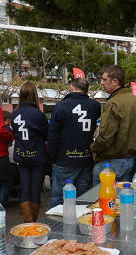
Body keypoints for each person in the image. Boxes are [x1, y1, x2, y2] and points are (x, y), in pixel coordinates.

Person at [48, 78, 100, 208]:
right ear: (87, 90)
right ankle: (81, 226)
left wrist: (52, 158)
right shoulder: (94, 105)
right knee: (84, 201)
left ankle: (59, 227)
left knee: (59, 201)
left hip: (64, 160)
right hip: (85, 159)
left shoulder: (61, 106)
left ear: (71, 87)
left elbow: (53, 135)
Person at [90, 65, 136, 185]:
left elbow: (105, 136)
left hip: (111, 161)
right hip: (131, 159)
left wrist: (94, 149)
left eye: (105, 80)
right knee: (121, 200)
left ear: (115, 81)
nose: (102, 83)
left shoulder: (113, 103)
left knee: (103, 199)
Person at [11, 82, 49, 222]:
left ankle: (27, 222)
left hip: (21, 155)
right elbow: (47, 135)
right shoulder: (38, 115)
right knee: (35, 190)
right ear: (34, 95)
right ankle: (33, 222)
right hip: (37, 156)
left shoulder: (15, 114)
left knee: (25, 189)